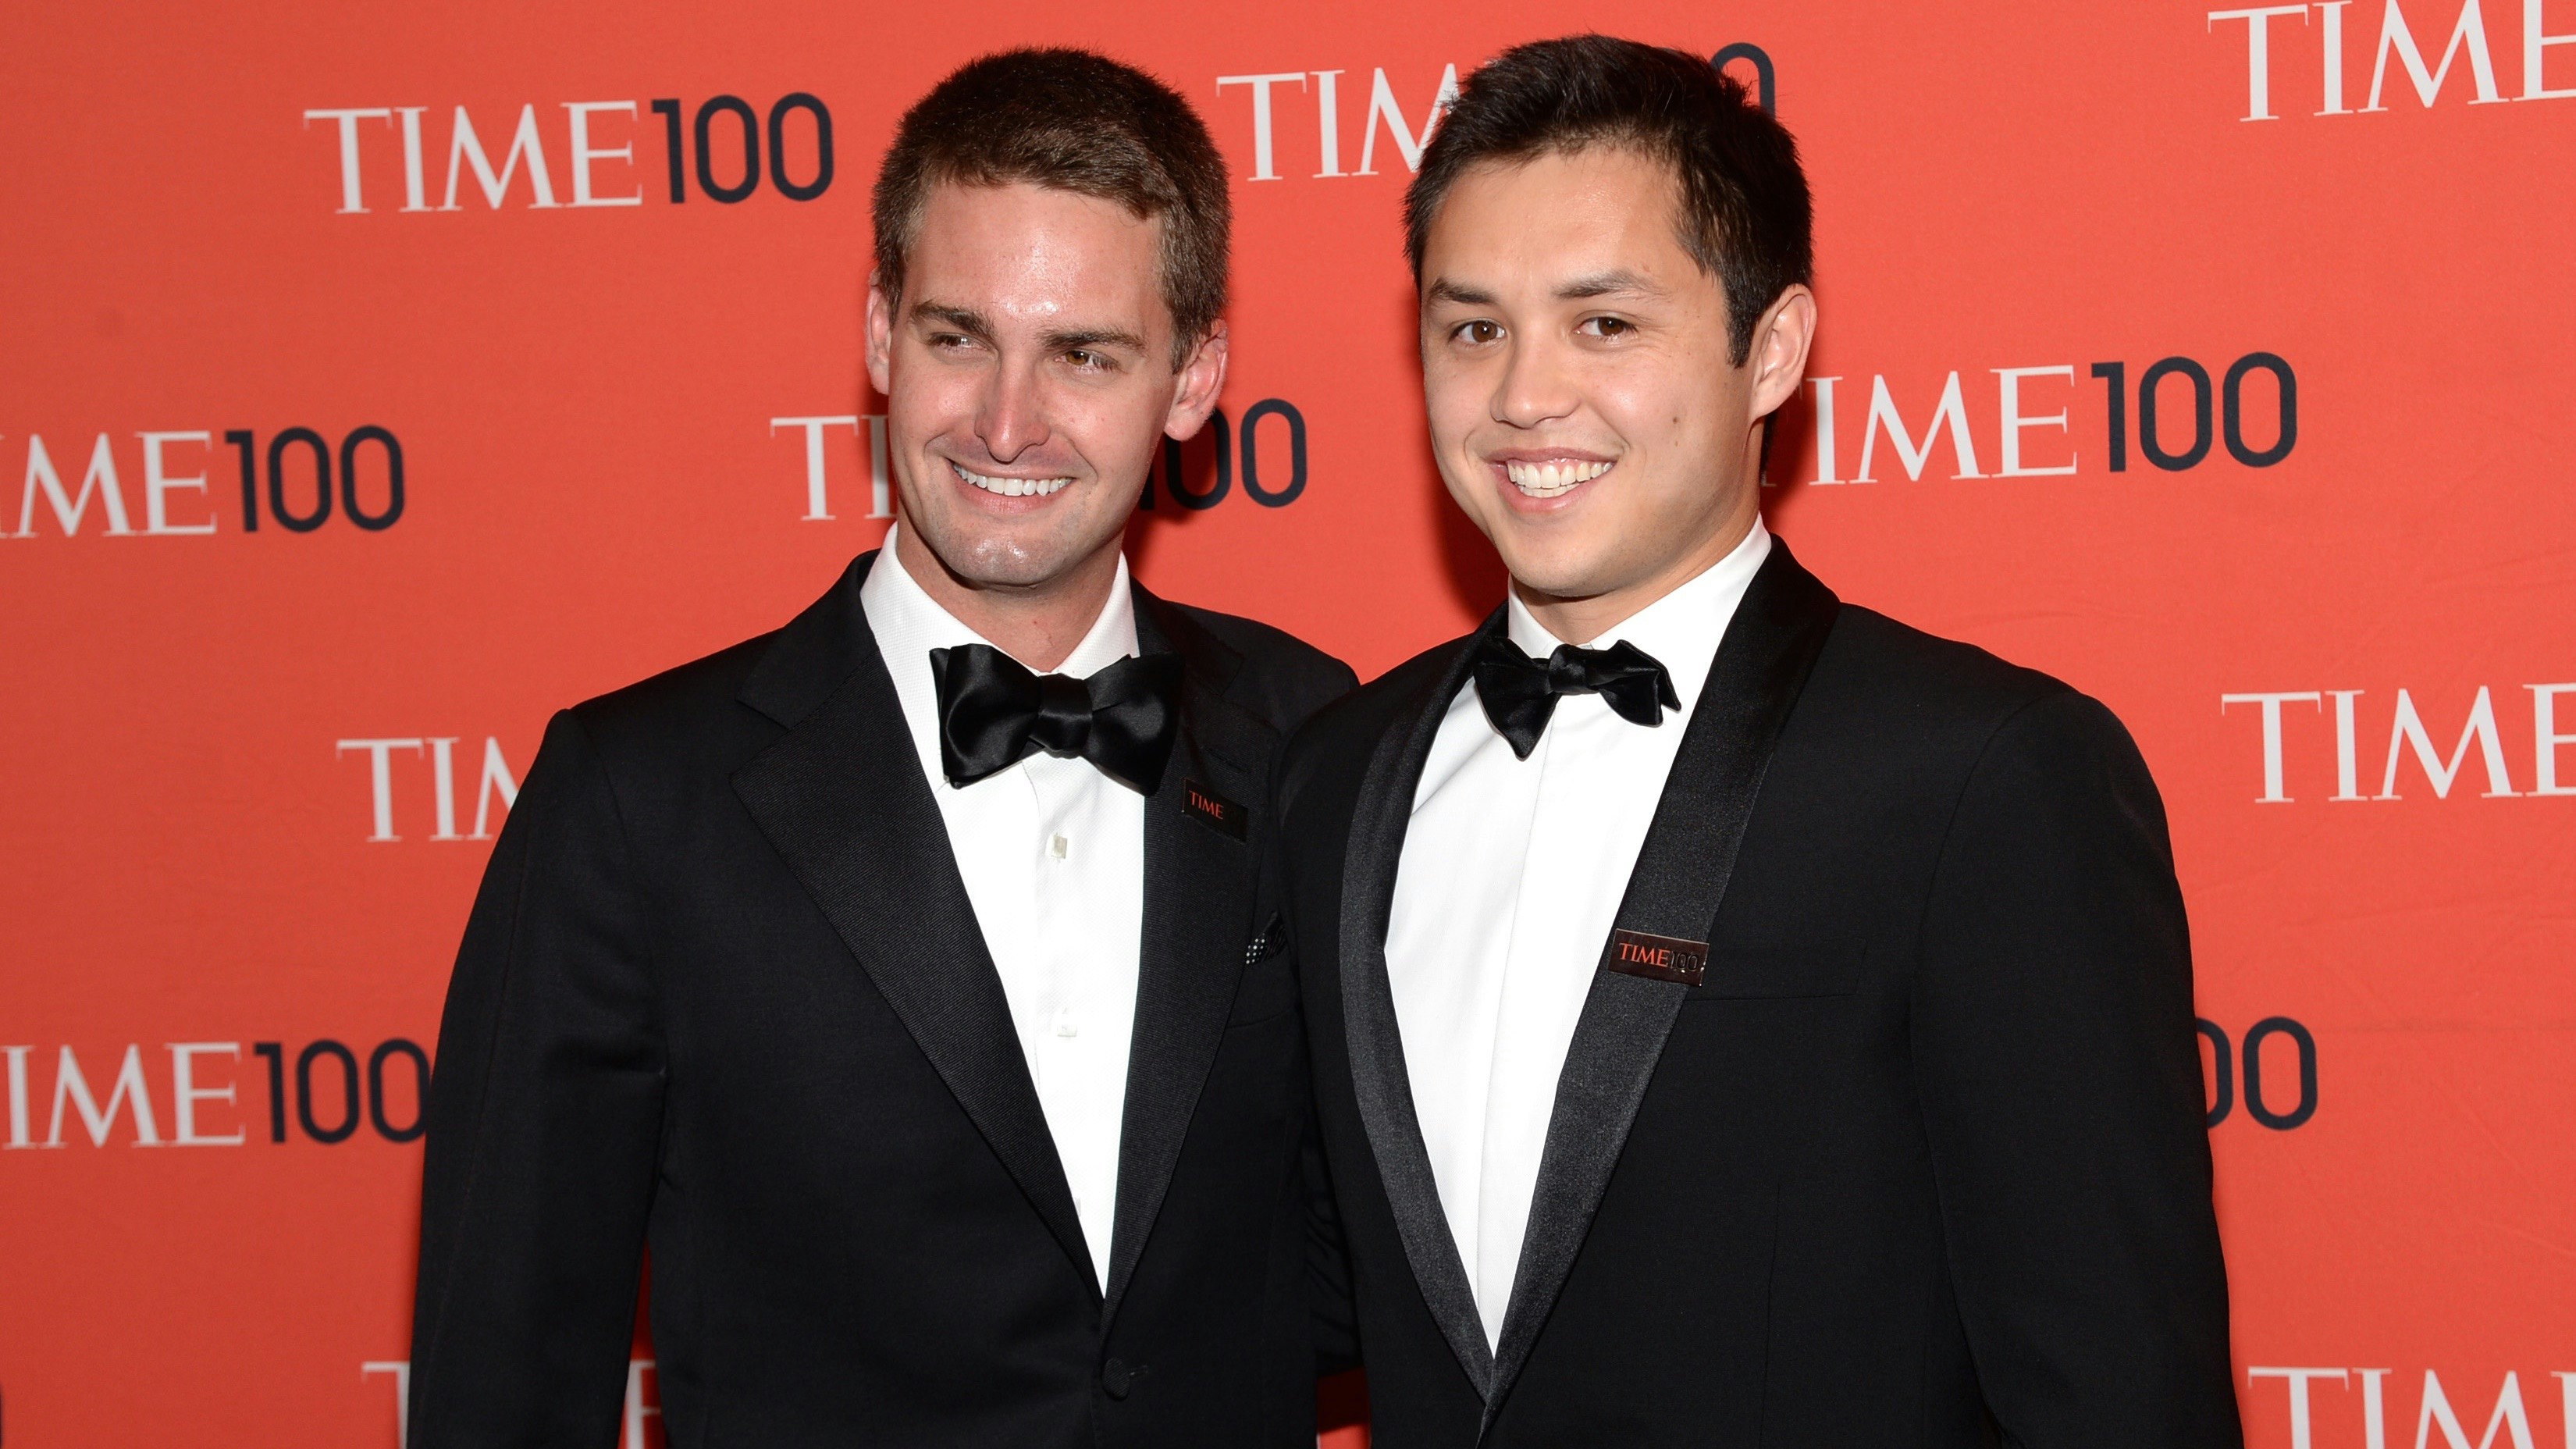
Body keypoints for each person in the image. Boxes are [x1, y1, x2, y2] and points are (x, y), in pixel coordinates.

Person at [1274, 35, 2241, 1447]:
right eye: (1473, 326)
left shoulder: (1981, 780)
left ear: (1771, 348)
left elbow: (2117, 1394)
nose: (1526, 397)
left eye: (1604, 324)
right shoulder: (1340, 776)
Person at [406, 48, 1354, 1447]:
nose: (1007, 422)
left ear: (1193, 376)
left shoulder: (1313, 734)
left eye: (1084, 354)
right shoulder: (637, 801)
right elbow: (509, 1366)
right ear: (876, 336)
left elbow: (1370, 1252)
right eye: (957, 336)